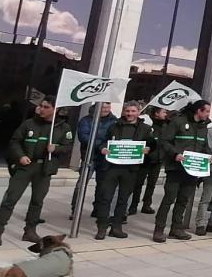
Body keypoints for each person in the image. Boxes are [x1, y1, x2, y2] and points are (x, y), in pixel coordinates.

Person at [0, 98, 73, 246]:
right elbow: (15, 141)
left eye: (46, 107)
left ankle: (30, 231)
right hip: (26, 166)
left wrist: (56, 149)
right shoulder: (29, 124)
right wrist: (20, 156)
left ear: (55, 109)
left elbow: (68, 147)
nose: (41, 109)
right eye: (40, 106)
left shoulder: (62, 128)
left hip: (44, 168)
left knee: (37, 201)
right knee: (10, 198)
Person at [153, 100, 211, 243]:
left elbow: (204, 146)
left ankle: (176, 228)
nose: (209, 114)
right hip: (176, 168)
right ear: (199, 110)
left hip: (192, 170)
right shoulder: (178, 122)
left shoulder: (204, 127)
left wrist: (210, 155)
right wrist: (175, 154)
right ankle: (159, 229)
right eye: (207, 111)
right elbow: (165, 141)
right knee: (169, 198)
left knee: (183, 199)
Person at [94, 102, 153, 240]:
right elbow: (103, 141)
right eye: (127, 111)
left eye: (133, 111)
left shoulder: (145, 129)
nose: (130, 114)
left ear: (138, 112)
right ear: (123, 112)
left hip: (131, 169)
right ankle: (101, 228)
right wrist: (102, 149)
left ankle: (116, 227)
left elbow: (152, 144)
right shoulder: (114, 126)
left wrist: (148, 149)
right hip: (112, 167)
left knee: (123, 200)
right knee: (105, 198)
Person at [72, 102, 116, 220]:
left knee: (102, 186)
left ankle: (97, 210)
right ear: (97, 107)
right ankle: (75, 210)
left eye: (108, 107)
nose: (106, 109)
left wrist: (105, 147)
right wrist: (100, 146)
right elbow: (84, 137)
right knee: (81, 184)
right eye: (103, 107)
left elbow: (115, 138)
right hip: (89, 156)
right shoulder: (86, 120)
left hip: (105, 158)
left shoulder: (114, 121)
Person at [129, 107, 169, 215]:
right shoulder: (148, 125)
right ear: (156, 113)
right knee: (138, 183)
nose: (166, 114)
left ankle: (147, 204)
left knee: (152, 184)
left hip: (158, 159)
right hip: (146, 159)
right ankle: (133, 205)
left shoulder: (166, 126)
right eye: (164, 112)